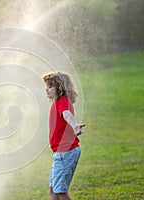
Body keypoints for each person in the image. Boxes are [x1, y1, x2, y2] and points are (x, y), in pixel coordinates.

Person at [43, 72, 86, 200]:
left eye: (50, 86)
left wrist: (74, 126)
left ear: (60, 88)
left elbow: (66, 114)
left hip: (66, 151)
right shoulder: (57, 103)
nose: (46, 89)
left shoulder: (63, 101)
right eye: (46, 86)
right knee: (53, 191)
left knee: (60, 191)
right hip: (60, 152)